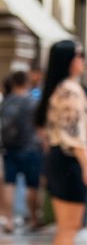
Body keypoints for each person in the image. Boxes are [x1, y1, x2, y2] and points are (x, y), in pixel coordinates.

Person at [34, 41, 87, 245]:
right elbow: (74, 133)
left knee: (67, 228)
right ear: (68, 59)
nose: (83, 60)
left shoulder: (62, 88)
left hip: (61, 159)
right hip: (69, 161)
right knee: (70, 228)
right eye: (79, 55)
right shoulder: (70, 89)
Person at [0, 71, 42, 231]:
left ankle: (8, 220)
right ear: (26, 82)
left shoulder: (6, 101)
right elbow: (40, 127)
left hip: (9, 148)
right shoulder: (33, 102)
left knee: (9, 184)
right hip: (31, 148)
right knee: (32, 185)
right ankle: (33, 218)